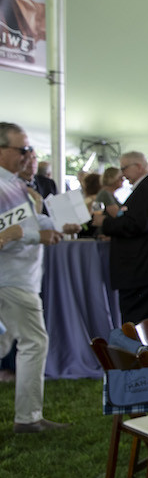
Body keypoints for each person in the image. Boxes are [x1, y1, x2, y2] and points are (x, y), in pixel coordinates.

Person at [0, 122, 69, 432]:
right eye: (22, 149)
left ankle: (29, 418)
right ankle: (28, 419)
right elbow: (12, 231)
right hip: (11, 279)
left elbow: (26, 222)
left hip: (20, 277)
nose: (29, 155)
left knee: (8, 342)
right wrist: (34, 234)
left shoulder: (14, 184)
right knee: (34, 341)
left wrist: (57, 226)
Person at [92, 152, 148, 363]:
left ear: (139, 166)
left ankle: (143, 367)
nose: (123, 175)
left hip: (143, 270)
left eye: (125, 169)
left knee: (140, 324)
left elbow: (136, 224)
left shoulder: (147, 189)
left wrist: (104, 222)